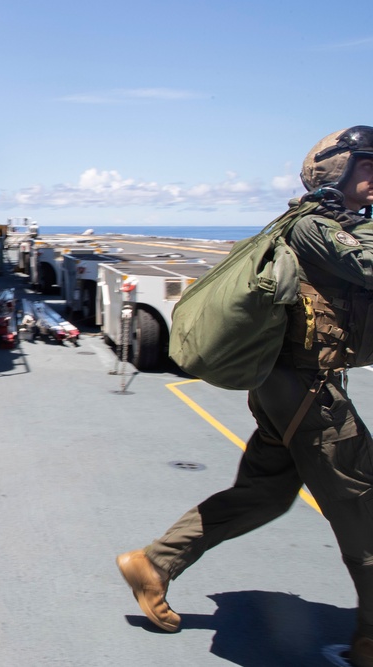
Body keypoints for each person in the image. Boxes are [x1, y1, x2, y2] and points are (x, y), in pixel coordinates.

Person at [116, 126, 373, 666]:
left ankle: (155, 563)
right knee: (365, 511)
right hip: (310, 396)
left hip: (289, 392)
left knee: (263, 493)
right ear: (340, 171)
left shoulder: (331, 224)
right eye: (369, 167)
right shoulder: (316, 228)